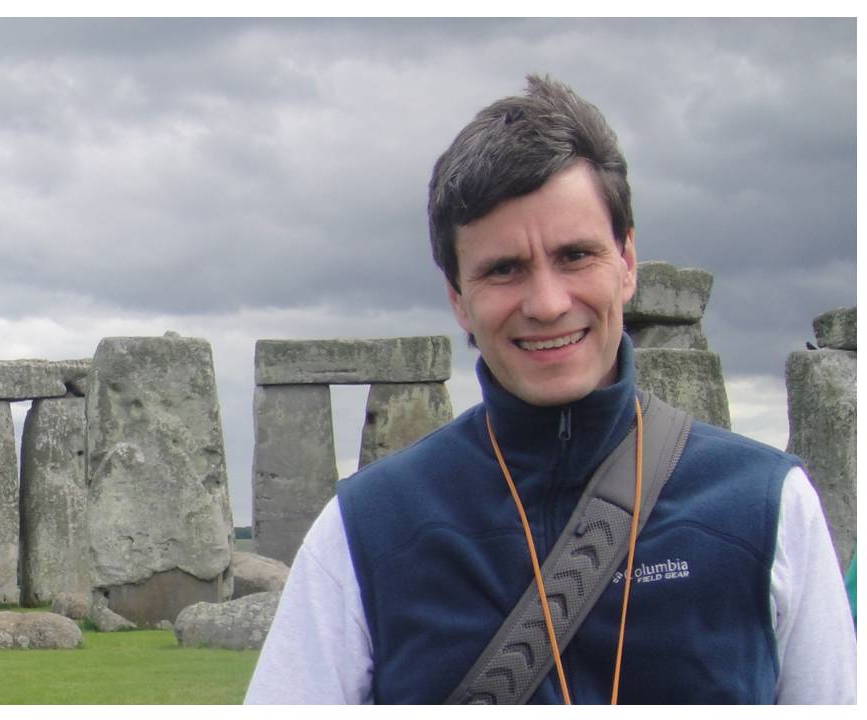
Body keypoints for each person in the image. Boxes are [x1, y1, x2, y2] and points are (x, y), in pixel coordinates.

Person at [244, 75, 856, 704]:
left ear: (627, 262)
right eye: (503, 269)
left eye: (575, 255)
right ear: (458, 298)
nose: (546, 303)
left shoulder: (767, 508)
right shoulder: (366, 531)